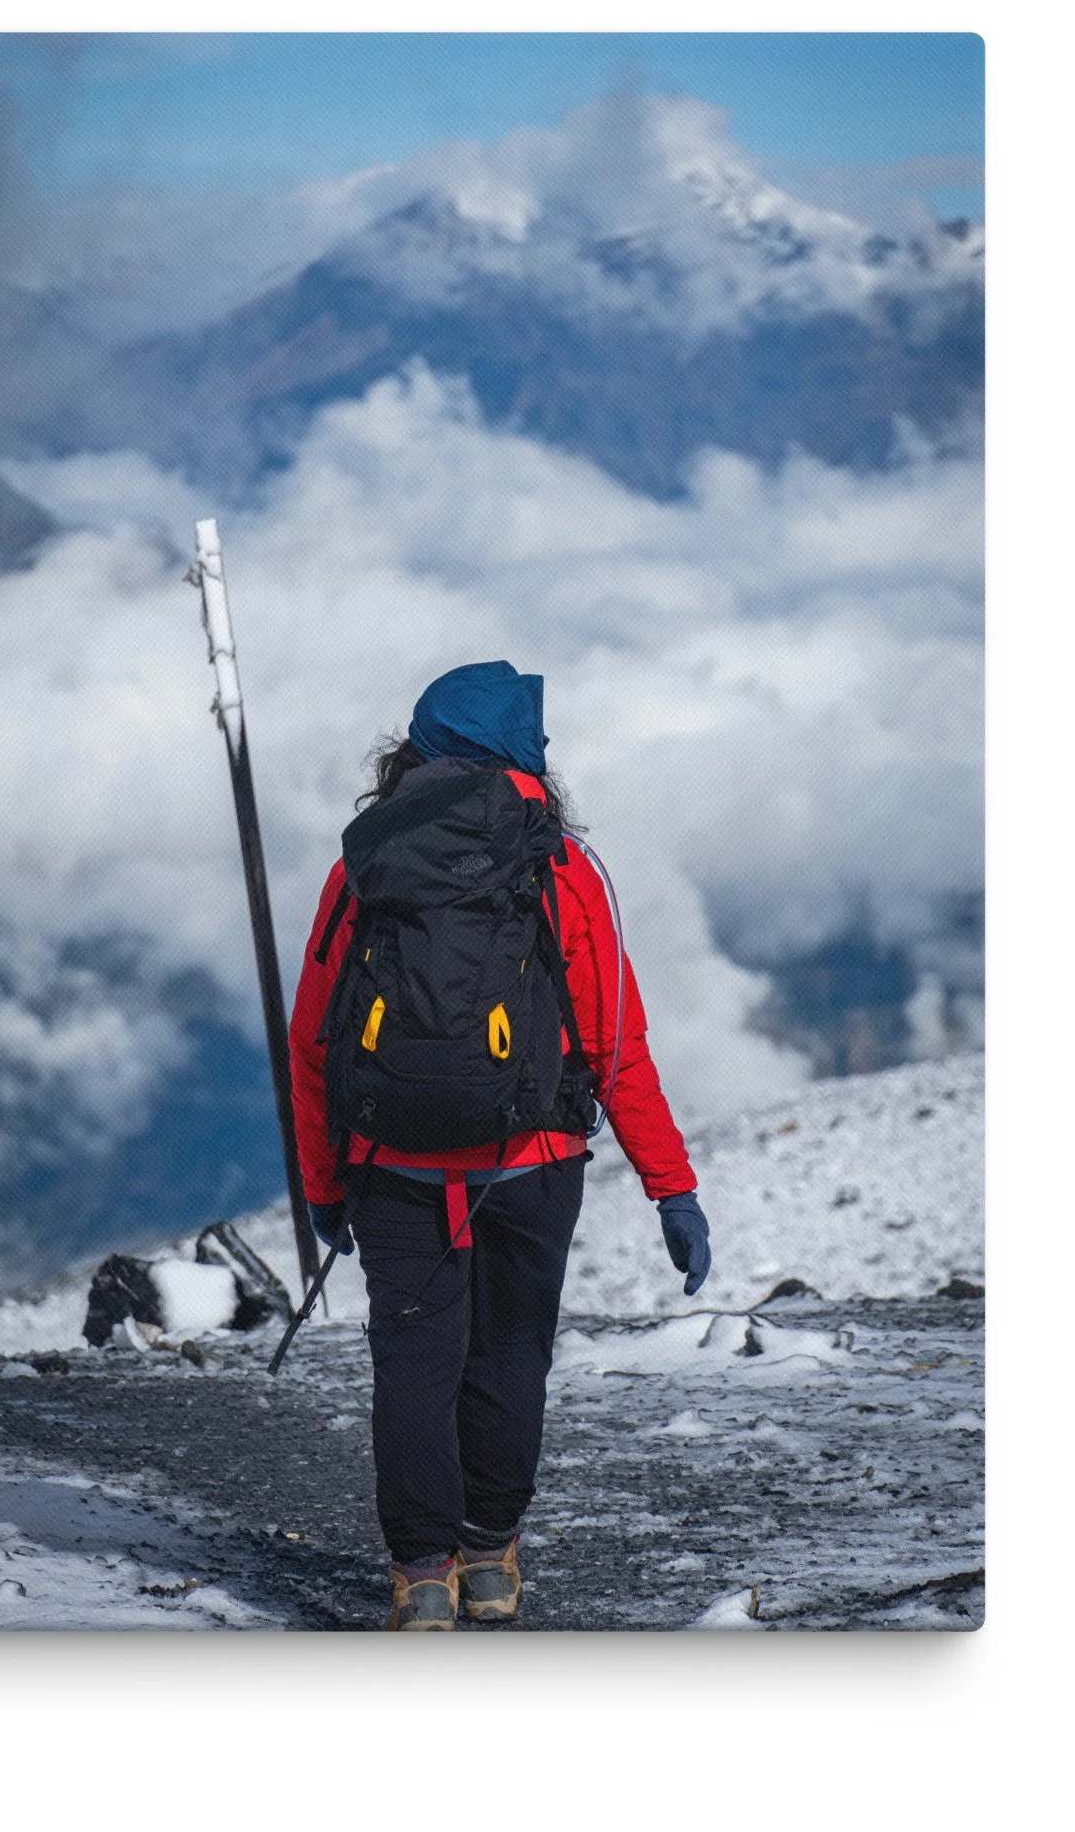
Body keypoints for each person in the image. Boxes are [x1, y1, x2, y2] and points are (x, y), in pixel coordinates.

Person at [287, 660, 712, 1630]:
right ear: (527, 758)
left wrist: (323, 1185)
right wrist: (670, 1188)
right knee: (512, 1355)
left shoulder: (364, 866)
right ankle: (489, 1559)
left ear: (415, 750)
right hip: (533, 1164)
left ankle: (420, 1578)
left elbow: (312, 1040)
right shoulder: (564, 867)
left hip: (394, 1168)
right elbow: (613, 1043)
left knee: (413, 1365)